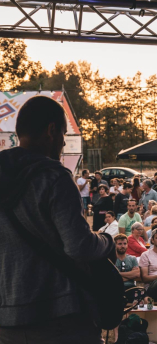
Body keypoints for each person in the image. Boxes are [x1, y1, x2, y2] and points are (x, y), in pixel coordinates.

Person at [0, 96, 115, 343]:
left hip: (6, 318)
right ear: (52, 131)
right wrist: (107, 241)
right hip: (59, 315)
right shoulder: (54, 178)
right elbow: (79, 246)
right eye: (64, 133)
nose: (64, 142)